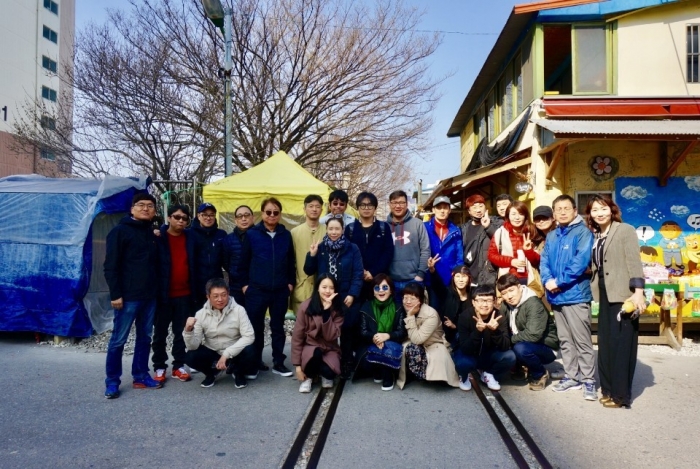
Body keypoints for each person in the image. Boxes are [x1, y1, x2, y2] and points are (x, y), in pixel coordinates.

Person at [586, 195, 646, 408]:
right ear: (590, 214)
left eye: (603, 208)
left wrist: (638, 292)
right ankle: (608, 389)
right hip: (604, 293)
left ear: (612, 210)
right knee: (606, 342)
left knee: (622, 345)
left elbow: (634, 261)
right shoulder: (596, 235)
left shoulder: (625, 230)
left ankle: (620, 396)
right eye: (594, 210)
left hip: (623, 294)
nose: (599, 213)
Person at [103, 193, 162, 399]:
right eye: (141, 205)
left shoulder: (152, 233)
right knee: (119, 340)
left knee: (145, 338)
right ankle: (112, 381)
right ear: (132, 209)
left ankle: (140, 375)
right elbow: (110, 266)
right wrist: (115, 294)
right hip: (127, 297)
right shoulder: (119, 232)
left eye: (150, 206)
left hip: (149, 296)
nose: (146, 208)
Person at [540, 194, 597, 400]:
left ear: (575, 211)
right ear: (554, 213)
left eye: (566, 208)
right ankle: (572, 376)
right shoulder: (552, 235)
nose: (562, 212)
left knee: (582, 341)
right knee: (565, 340)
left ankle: (588, 379)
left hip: (575, 295)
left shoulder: (583, 232)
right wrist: (547, 280)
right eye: (558, 209)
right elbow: (544, 260)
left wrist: (558, 281)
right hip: (556, 296)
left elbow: (580, 262)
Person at [239, 197, 296, 377]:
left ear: (279, 214)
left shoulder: (286, 235)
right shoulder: (252, 234)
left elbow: (290, 261)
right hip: (256, 290)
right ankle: (255, 363)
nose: (272, 215)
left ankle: (279, 362)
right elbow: (243, 262)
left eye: (275, 212)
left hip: (279, 290)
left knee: (278, 327)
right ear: (262, 213)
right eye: (268, 212)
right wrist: (245, 285)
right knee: (256, 328)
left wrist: (290, 283)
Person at [304, 216, 364, 378]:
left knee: (346, 329)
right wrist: (312, 255)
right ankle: (323, 360)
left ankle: (346, 362)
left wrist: (352, 294)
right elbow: (308, 271)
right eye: (331, 229)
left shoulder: (352, 248)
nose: (334, 232)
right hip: (325, 295)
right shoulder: (321, 247)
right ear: (327, 229)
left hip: (346, 295)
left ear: (343, 230)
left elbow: (358, 273)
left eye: (337, 229)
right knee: (325, 328)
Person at [183, 278, 256, 389]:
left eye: (223, 295)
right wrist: (188, 330)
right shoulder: (200, 314)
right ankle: (211, 373)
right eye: (215, 296)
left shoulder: (239, 310)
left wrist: (226, 354)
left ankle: (238, 372)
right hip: (213, 352)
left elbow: (249, 336)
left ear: (228, 294)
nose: (220, 299)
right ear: (208, 297)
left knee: (251, 350)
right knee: (190, 356)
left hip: (234, 352)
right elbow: (193, 345)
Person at [152, 204, 195, 384]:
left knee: (180, 333)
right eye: (177, 217)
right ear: (169, 218)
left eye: (184, 218)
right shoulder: (158, 238)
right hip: (163, 295)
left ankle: (178, 366)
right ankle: (159, 366)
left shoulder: (191, 238)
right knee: (160, 333)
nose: (180, 220)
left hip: (184, 294)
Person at [497, 274, 559, 391]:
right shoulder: (506, 305)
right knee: (501, 340)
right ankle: (521, 367)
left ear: (520, 287)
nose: (509, 296)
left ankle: (540, 373)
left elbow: (533, 335)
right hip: (523, 341)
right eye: (504, 293)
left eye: (511, 290)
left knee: (521, 349)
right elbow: (501, 326)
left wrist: (508, 341)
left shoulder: (533, 304)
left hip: (546, 347)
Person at [397, 283, 459, 389]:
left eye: (412, 298)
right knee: (409, 348)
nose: (408, 301)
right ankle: (415, 373)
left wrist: (410, 317)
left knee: (414, 347)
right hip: (413, 342)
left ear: (420, 300)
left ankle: (425, 375)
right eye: (405, 298)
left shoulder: (431, 314)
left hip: (433, 343)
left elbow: (417, 339)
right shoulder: (400, 309)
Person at [453, 285, 515, 391]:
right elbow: (465, 348)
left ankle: (489, 374)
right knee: (462, 362)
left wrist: (495, 331)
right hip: (470, 354)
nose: (485, 305)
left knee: (510, 357)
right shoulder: (465, 316)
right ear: (473, 302)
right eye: (480, 300)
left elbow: (505, 346)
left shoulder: (499, 316)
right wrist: (477, 332)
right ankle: (464, 376)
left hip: (489, 355)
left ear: (494, 301)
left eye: (489, 300)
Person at [291, 274, 345, 393]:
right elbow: (297, 337)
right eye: (324, 287)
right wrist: (298, 367)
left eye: (331, 288)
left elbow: (331, 336)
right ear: (318, 288)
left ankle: (321, 374)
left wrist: (326, 312)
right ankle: (309, 377)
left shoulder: (338, 308)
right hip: (310, 346)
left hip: (329, 347)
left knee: (330, 373)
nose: (327, 291)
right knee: (315, 353)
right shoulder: (306, 306)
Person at [355, 274, 407, 391]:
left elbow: (402, 332)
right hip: (370, 344)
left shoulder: (398, 307)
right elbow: (362, 332)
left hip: (391, 344)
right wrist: (375, 337)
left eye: (385, 287)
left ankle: (388, 374)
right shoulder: (366, 306)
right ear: (373, 292)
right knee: (367, 356)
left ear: (391, 291)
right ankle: (377, 369)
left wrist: (387, 336)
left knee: (387, 349)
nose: (381, 291)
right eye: (377, 288)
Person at [345, 191, 394, 302]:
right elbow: (347, 254)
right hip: (356, 280)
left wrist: (372, 272)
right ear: (358, 207)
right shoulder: (350, 229)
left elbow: (388, 252)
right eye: (363, 205)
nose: (366, 208)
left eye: (370, 205)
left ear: (375, 208)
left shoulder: (383, 227)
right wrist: (361, 272)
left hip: (379, 281)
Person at [488, 201, 543, 296]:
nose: (517, 218)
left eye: (521, 214)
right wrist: (511, 261)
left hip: (530, 279)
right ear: (508, 216)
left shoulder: (532, 231)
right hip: (507, 280)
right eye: (513, 214)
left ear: (525, 216)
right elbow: (491, 255)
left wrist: (528, 251)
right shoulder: (500, 233)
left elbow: (537, 260)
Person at [387, 190, 430, 304]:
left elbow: (425, 250)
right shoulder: (384, 226)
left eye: (401, 202)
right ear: (389, 204)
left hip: (413, 280)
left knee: (415, 315)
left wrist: (420, 275)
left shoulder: (417, 224)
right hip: (391, 281)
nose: (398, 206)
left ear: (407, 204)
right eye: (394, 202)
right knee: (395, 317)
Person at [424, 195, 464, 311]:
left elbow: (459, 256)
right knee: (433, 311)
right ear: (433, 210)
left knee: (449, 312)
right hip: (431, 278)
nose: (442, 211)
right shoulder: (424, 228)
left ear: (449, 210)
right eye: (439, 207)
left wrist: (456, 274)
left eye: (445, 208)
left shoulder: (455, 230)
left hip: (449, 278)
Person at [290, 195, 326, 314]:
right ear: (304, 209)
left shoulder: (328, 231)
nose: (314, 209)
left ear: (322, 210)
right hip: (301, 288)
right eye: (311, 206)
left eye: (317, 207)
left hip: (324, 289)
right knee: (301, 326)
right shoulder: (294, 233)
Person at [189, 203, 227, 308]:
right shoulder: (189, 233)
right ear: (198, 216)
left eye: (211, 215)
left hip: (216, 282)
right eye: (205, 214)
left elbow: (227, 258)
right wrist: (162, 230)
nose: (208, 218)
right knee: (198, 317)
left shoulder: (221, 234)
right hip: (196, 283)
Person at [429, 264, 473, 347]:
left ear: (469, 278)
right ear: (453, 278)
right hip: (448, 337)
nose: (461, 280)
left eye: (464, 276)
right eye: (458, 276)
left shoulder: (473, 296)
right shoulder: (447, 293)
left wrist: (455, 326)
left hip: (467, 335)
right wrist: (432, 271)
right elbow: (437, 285)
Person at [461, 194, 498, 289]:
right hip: (469, 275)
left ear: (486, 207)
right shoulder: (464, 228)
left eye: (481, 206)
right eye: (474, 207)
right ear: (469, 211)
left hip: (487, 274)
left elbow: (500, 240)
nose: (478, 210)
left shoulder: (495, 223)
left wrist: (488, 226)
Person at [222, 205, 255, 306]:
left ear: (253, 218)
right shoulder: (228, 240)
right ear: (235, 220)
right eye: (240, 216)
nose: (243, 219)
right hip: (236, 286)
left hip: (256, 285)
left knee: (255, 319)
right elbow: (225, 262)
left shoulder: (261, 237)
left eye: (246, 215)